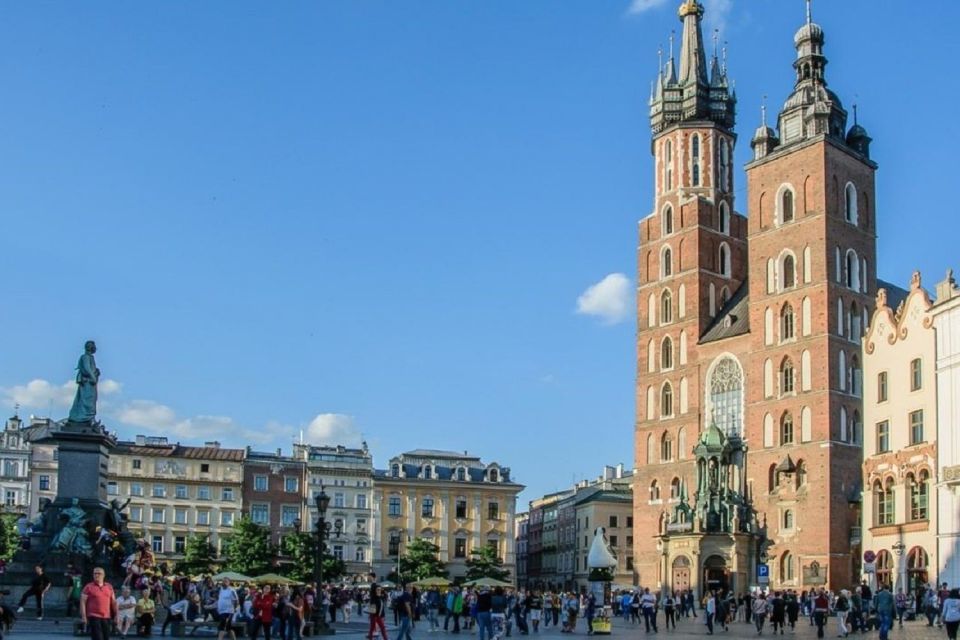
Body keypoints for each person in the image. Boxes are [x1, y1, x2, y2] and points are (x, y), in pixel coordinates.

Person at [80, 566, 118, 640]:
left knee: (106, 637)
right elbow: (82, 602)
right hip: (93, 616)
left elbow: (113, 602)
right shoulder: (88, 587)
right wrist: (83, 616)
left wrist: (116, 615)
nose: (96, 575)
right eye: (95, 573)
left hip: (106, 616)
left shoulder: (109, 586)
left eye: (99, 573)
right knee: (98, 638)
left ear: (103, 575)